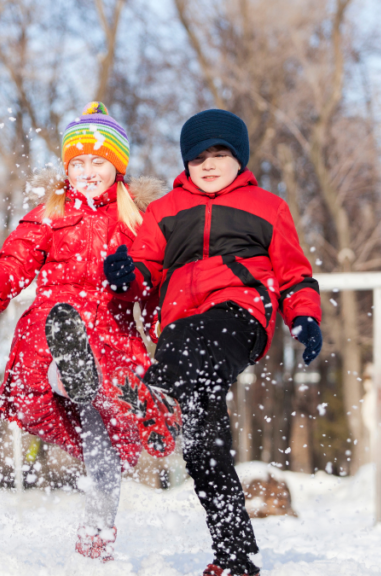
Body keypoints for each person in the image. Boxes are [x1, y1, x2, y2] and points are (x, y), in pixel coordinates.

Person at [0, 102, 182, 563]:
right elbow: (13, 265)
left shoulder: (137, 221)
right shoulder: (49, 213)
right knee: (62, 362)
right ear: (67, 167)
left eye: (98, 162)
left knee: (102, 445)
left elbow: (152, 288)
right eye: (78, 163)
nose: (88, 171)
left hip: (111, 336)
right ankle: (65, 375)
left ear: (117, 166)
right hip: (54, 328)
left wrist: (169, 331)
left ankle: (97, 538)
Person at [103, 109, 323, 576]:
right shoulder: (165, 211)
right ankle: (235, 555)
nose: (208, 164)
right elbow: (146, 269)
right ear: (186, 162)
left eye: (220, 154)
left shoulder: (268, 207)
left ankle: (159, 396)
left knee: (198, 340)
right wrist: (127, 276)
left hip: (239, 314)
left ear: (238, 159)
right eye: (199, 156)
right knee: (204, 443)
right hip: (178, 323)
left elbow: (293, 272)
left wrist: (303, 317)